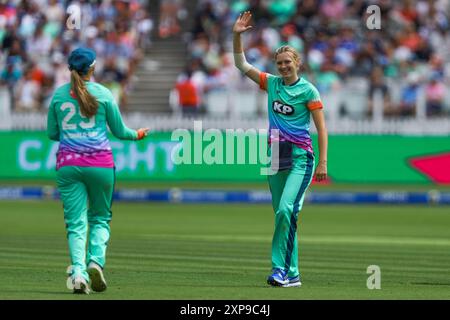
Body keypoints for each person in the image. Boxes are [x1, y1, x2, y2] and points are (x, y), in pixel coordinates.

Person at [232, 12, 328, 287]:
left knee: (286, 210)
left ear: (297, 63)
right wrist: (237, 35)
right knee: (283, 215)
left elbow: (321, 128)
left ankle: (280, 271)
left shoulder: (308, 91)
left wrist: (323, 162)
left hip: (300, 158)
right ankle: (292, 273)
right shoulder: (271, 84)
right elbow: (241, 64)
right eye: (280, 63)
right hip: (274, 156)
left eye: (288, 62)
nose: (284, 66)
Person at [46, 47, 149, 294]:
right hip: (101, 165)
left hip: (69, 165)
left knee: (76, 223)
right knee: (100, 218)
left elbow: (52, 133)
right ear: (92, 68)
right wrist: (138, 135)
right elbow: (120, 131)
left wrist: (73, 135)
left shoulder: (59, 96)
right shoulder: (103, 93)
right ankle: (96, 262)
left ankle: (79, 273)